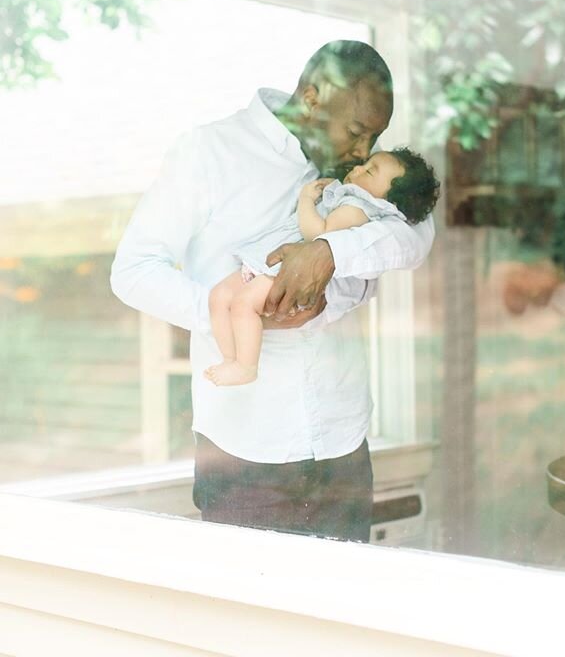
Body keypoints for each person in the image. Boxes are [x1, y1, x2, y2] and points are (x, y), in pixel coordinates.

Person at [110, 40, 435, 542]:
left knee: (342, 612)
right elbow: (133, 269)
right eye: (356, 132)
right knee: (249, 617)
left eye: (374, 138)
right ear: (312, 98)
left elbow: (416, 234)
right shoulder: (210, 151)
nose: (363, 152)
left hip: (342, 441)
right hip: (244, 449)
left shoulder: (362, 176)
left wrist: (329, 255)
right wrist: (234, 313)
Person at [205, 148, 440, 386]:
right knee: (219, 296)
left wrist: (306, 199)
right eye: (365, 164)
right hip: (270, 261)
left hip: (285, 269)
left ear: (387, 200)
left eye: (369, 171)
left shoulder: (358, 208)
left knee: (243, 304)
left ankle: (245, 366)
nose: (357, 168)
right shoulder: (345, 197)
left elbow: (318, 233)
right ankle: (230, 358)